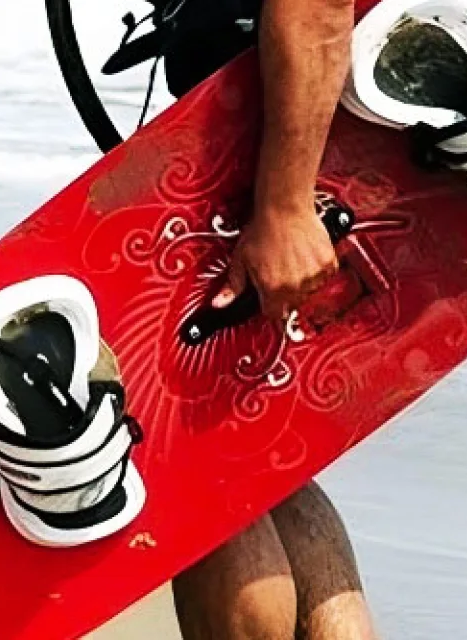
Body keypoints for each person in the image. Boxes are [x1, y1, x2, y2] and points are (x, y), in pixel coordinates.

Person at [150, 0, 382, 638]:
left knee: (188, 451)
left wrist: (284, 205)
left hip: (270, 131)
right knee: (262, 459)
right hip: (283, 108)